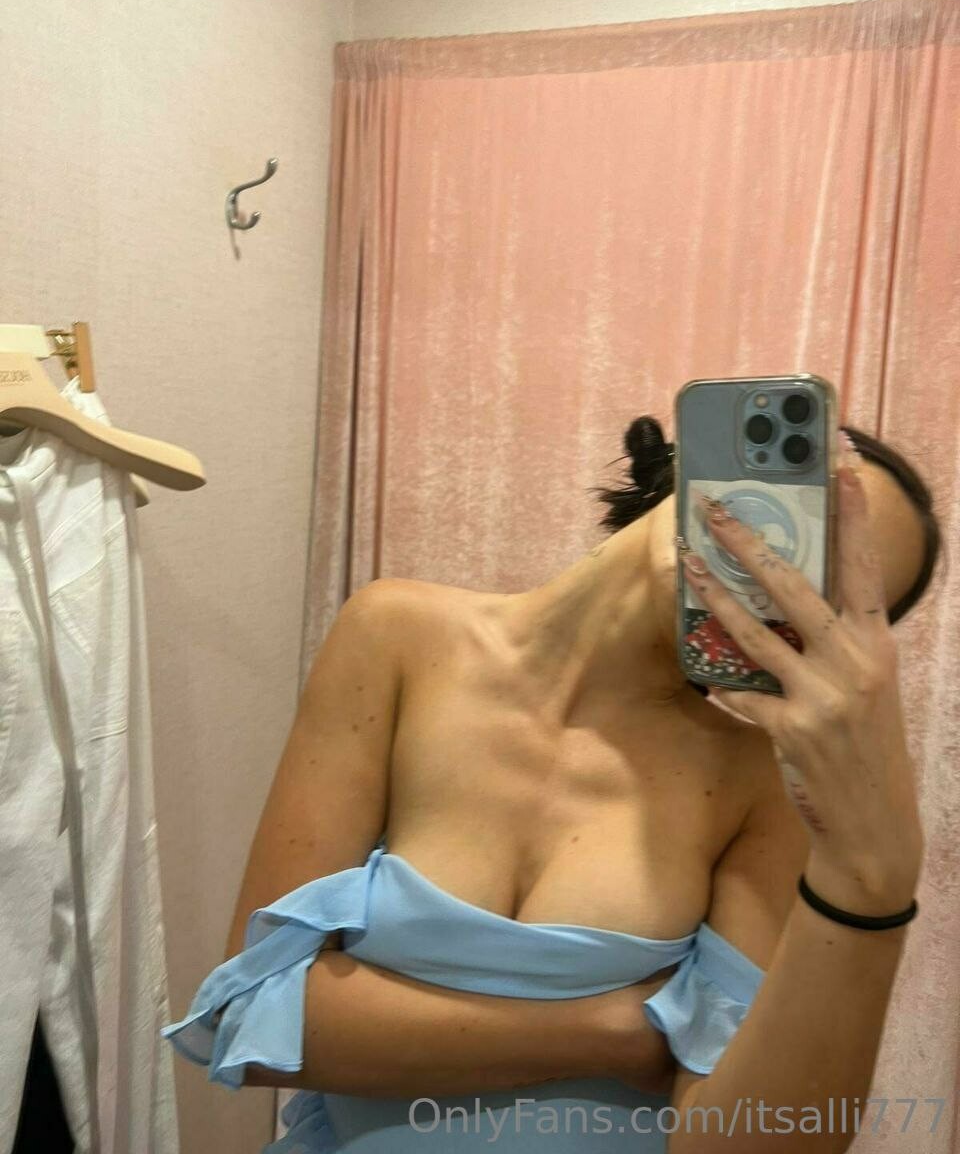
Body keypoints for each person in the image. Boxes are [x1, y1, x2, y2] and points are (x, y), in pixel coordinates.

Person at [163, 415, 941, 1153]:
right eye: (808, 517)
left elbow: (745, 1139)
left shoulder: (758, 781)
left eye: (835, 591)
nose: (780, 565)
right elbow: (250, 1015)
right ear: (709, 459)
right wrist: (615, 1034)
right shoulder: (397, 638)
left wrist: (870, 873)